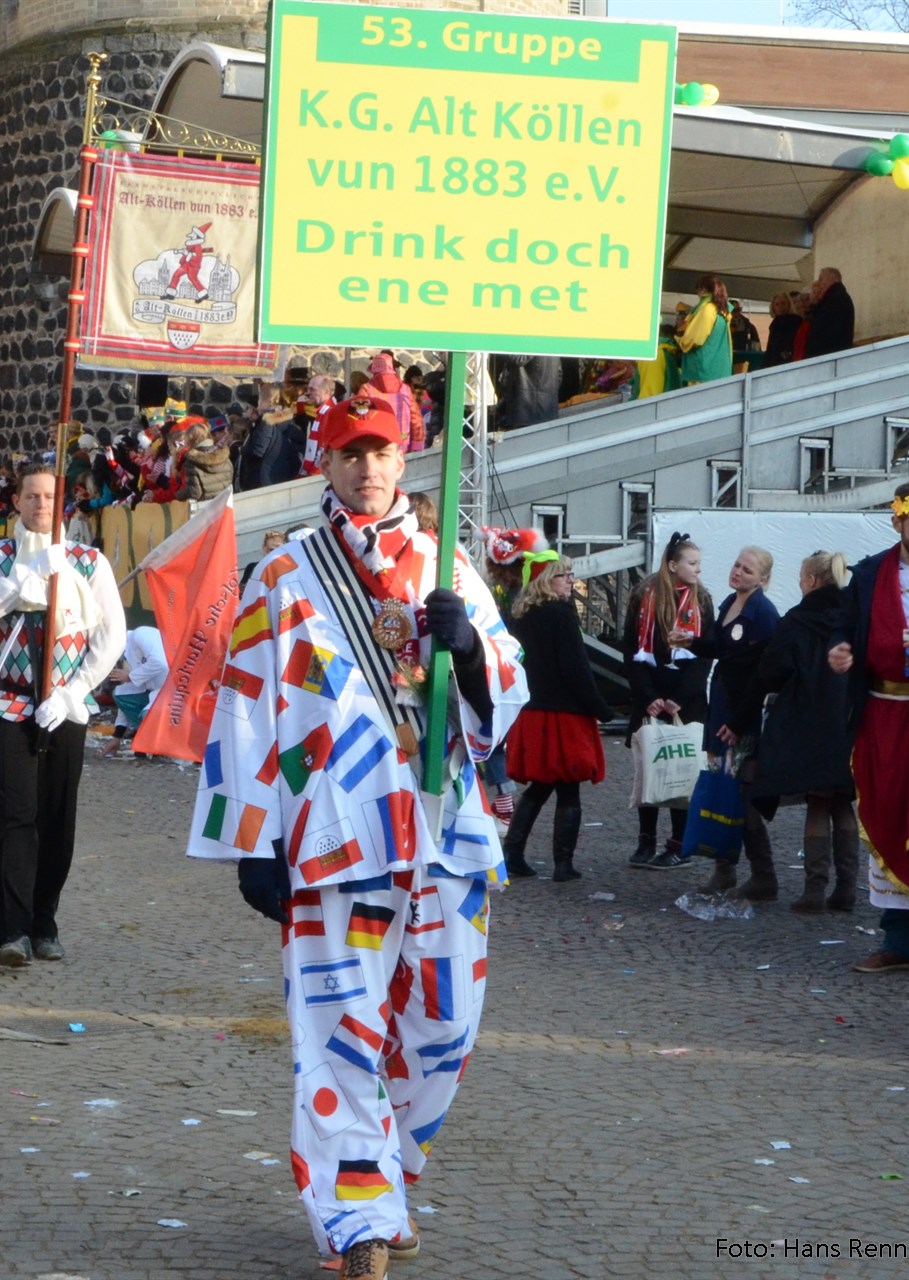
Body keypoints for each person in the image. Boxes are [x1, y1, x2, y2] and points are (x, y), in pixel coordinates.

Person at [188, 394, 525, 1279]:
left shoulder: (446, 565)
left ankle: (394, 1175)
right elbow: (244, 709)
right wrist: (251, 841)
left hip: (446, 833)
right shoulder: (285, 574)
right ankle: (357, 1214)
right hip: (334, 839)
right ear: (325, 463)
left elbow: (509, 689)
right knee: (340, 1027)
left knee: (443, 1028)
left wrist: (474, 656)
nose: (367, 468)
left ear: (403, 462)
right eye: (349, 453)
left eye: (381, 452)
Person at [0, 459, 126, 969]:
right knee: (14, 814)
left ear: (63, 504)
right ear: (16, 501)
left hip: (64, 707)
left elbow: (109, 635)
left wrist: (73, 689)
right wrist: (27, 579)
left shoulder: (89, 561)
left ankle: (44, 920)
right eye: (31, 496)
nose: (40, 505)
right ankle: (13, 931)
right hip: (8, 701)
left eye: (49, 498)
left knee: (57, 816)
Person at [829, 481, 909, 972]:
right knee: (886, 815)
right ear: (899, 524)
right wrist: (840, 648)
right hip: (883, 713)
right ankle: (900, 941)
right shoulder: (870, 574)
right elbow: (843, 625)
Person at [757, 551, 858, 913]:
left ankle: (814, 890)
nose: (800, 583)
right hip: (849, 721)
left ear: (812, 581)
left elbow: (773, 671)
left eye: (801, 577)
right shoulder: (855, 616)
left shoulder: (798, 620)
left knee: (818, 802)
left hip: (810, 721)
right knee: (844, 800)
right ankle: (847, 887)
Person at [503, 554, 611, 880]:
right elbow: (576, 668)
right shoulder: (562, 615)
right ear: (546, 580)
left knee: (542, 784)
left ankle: (514, 854)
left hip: (534, 711)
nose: (569, 580)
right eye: (563, 575)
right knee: (566, 787)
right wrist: (600, 707)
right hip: (564, 714)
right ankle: (562, 864)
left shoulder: (521, 615)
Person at [623, 532, 714, 870]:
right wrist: (648, 697)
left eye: (699, 564)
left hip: (685, 700)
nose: (698, 570)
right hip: (649, 695)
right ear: (673, 565)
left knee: (681, 771)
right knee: (648, 768)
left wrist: (676, 698)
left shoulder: (701, 601)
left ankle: (678, 844)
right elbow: (631, 650)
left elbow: (705, 655)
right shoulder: (644, 597)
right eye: (692, 563)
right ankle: (645, 841)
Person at [695, 546, 782, 900]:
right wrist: (693, 643)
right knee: (720, 787)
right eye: (736, 564)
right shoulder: (731, 602)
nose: (737, 572)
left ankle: (763, 874)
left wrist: (739, 720)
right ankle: (724, 868)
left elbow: (761, 674)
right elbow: (719, 646)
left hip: (741, 713)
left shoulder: (763, 613)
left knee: (742, 794)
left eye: (747, 570)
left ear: (763, 579)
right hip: (721, 705)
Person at [100, 624, 167, 761]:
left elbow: (161, 663)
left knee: (149, 715)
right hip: (157, 692)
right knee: (120, 693)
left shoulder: (140, 634)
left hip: (177, 691)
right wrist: (117, 736)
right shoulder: (127, 653)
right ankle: (147, 739)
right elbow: (126, 700)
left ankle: (159, 742)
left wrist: (130, 676)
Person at [676, 275, 732, 385]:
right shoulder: (723, 311)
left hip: (702, 373)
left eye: (697, 289)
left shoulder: (707, 309)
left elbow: (695, 339)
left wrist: (679, 340)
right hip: (720, 371)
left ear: (703, 290)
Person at [804, 267, 855, 358]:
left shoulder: (835, 298)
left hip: (828, 355)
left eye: (821, 279)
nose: (820, 283)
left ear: (833, 278)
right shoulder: (835, 298)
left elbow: (824, 330)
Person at [762, 291, 803, 367]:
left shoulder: (796, 321)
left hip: (789, 361)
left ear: (789, 304)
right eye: (777, 304)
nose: (780, 306)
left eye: (783, 303)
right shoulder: (774, 324)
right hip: (775, 361)